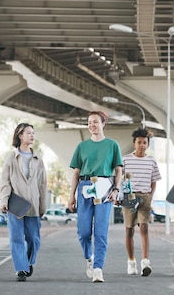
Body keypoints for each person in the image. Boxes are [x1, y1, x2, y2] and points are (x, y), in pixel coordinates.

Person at [68, 110, 123, 283]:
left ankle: (98, 268)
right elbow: (76, 172)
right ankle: (89, 258)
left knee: (100, 232)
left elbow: (118, 169)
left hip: (105, 187)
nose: (92, 125)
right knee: (84, 232)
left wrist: (116, 189)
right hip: (85, 187)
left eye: (95, 122)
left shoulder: (112, 145)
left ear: (103, 123)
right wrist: (71, 196)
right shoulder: (82, 146)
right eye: (89, 122)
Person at [0, 122, 47, 282]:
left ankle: (28, 262)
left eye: (33, 133)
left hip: (33, 204)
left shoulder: (38, 158)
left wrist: (42, 205)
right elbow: (4, 181)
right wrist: (4, 200)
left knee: (34, 238)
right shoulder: (11, 157)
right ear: (20, 136)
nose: (32, 135)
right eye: (29, 133)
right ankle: (21, 269)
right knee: (16, 238)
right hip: (15, 205)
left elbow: (42, 183)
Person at [121, 128, 162, 276]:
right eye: (139, 142)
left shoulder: (151, 161)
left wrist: (150, 195)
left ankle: (145, 261)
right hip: (129, 197)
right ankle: (131, 262)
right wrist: (121, 195)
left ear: (148, 144)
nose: (142, 145)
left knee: (144, 228)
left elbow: (154, 180)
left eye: (144, 142)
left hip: (145, 197)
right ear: (134, 144)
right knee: (129, 230)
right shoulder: (125, 159)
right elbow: (120, 179)